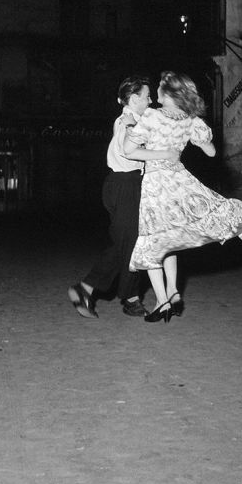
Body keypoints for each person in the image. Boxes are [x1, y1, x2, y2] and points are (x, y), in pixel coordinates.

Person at [124, 70, 242, 323]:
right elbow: (210, 151)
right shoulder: (190, 119)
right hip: (180, 181)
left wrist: (162, 153)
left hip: (157, 184)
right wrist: (188, 138)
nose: (156, 94)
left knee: (153, 242)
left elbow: (129, 151)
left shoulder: (152, 116)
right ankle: (173, 291)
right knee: (170, 238)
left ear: (168, 94)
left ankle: (162, 300)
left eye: (160, 88)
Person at [68, 75, 180, 319]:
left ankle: (126, 296)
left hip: (129, 185)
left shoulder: (135, 119)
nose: (150, 100)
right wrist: (164, 153)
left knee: (130, 243)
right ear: (134, 98)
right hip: (124, 184)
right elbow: (129, 153)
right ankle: (94, 289)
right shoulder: (126, 122)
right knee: (127, 244)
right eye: (146, 96)